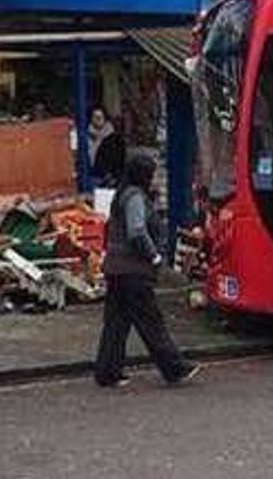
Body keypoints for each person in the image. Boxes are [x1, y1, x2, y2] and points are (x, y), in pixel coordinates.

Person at [94, 155, 200, 388]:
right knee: (151, 321)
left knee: (116, 323)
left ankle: (107, 372)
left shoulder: (122, 194)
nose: (153, 179)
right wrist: (154, 256)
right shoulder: (134, 197)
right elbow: (137, 231)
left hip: (115, 268)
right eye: (151, 174)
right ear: (143, 175)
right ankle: (175, 368)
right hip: (134, 270)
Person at [88, 108, 126, 188]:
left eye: (100, 117)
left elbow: (119, 159)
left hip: (106, 177)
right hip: (89, 174)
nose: (97, 120)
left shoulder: (115, 139)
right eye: (95, 117)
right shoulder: (85, 136)